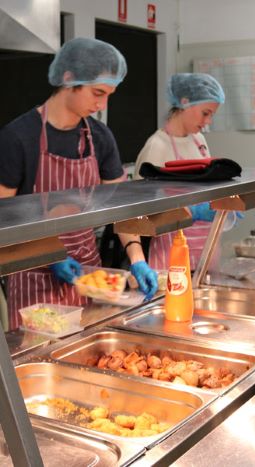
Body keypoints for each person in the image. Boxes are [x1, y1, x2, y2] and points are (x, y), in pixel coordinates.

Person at [0, 37, 159, 331]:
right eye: (98, 92)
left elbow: (121, 207)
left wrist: (137, 257)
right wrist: (49, 255)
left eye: (109, 94)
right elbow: (3, 220)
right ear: (68, 78)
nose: (102, 104)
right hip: (32, 275)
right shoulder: (18, 138)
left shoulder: (100, 137)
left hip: (88, 277)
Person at [134, 73, 227, 270]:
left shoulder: (199, 140)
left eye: (212, 115)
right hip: (171, 253)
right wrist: (190, 212)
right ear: (185, 103)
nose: (208, 121)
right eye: (205, 113)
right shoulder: (157, 146)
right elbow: (142, 214)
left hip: (204, 248)